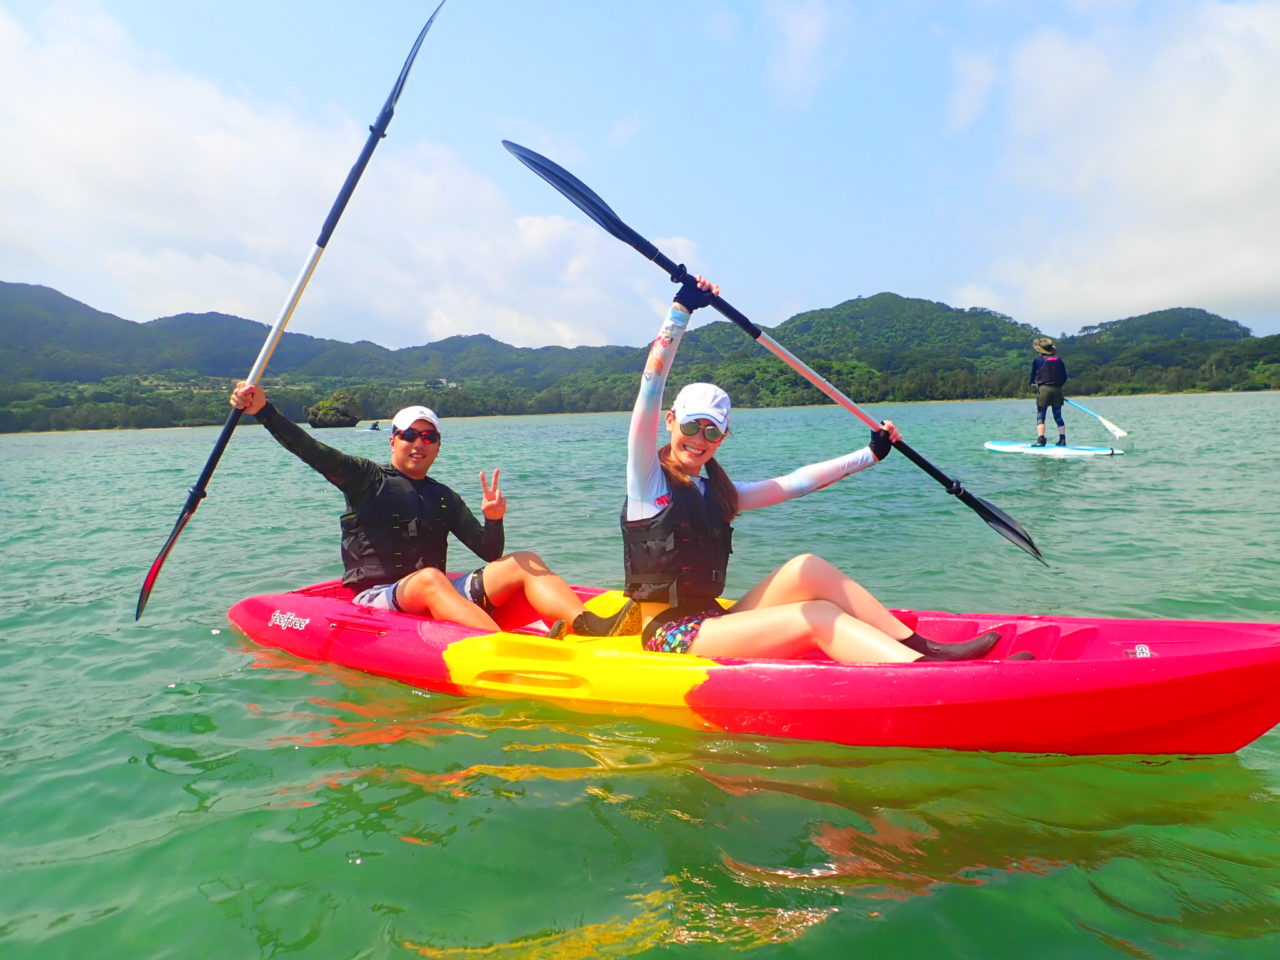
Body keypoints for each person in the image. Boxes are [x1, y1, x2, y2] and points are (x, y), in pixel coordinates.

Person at [621, 274, 1014, 664]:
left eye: (712, 430)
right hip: (669, 635)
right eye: (691, 426)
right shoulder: (647, 481)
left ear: (723, 436)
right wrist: (681, 311)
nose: (699, 438)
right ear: (671, 421)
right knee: (817, 616)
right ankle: (924, 676)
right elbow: (649, 390)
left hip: (713, 620)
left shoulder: (717, 492)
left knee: (807, 568)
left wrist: (870, 454)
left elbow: (796, 483)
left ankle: (922, 649)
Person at [230, 383, 636, 636]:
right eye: (410, 435)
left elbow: (489, 554)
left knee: (522, 560)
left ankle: (589, 628)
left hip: (434, 592)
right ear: (393, 440)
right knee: (429, 579)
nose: (419, 443)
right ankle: (505, 646)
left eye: (429, 437)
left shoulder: (443, 495)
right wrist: (264, 411)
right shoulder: (365, 478)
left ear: (438, 446)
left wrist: (494, 520)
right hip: (376, 598)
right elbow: (310, 450)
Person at [1030, 337, 1068, 446]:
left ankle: (1041, 440)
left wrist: (1033, 385)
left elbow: (1032, 378)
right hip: (1057, 390)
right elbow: (1064, 377)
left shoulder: (1038, 360)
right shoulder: (1059, 360)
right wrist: (1058, 388)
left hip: (1043, 390)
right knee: (1058, 416)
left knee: (1041, 415)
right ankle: (1062, 439)